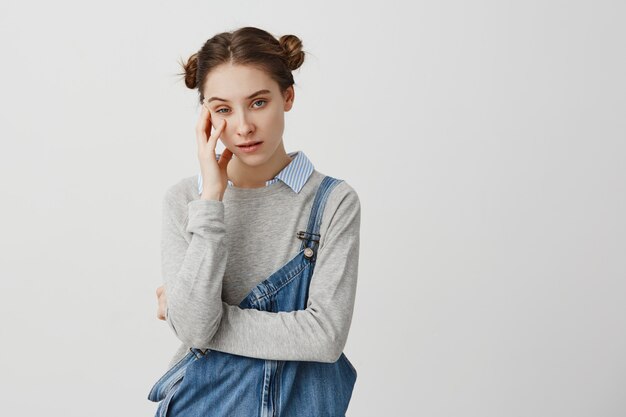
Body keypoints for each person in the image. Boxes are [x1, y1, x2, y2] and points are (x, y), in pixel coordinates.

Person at [148, 26, 361, 416]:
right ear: (206, 119)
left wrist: (192, 312)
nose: (243, 126)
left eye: (258, 103)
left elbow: (325, 337)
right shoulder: (185, 201)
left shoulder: (332, 202)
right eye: (223, 109)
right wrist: (211, 200)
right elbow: (194, 331)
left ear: (288, 97)